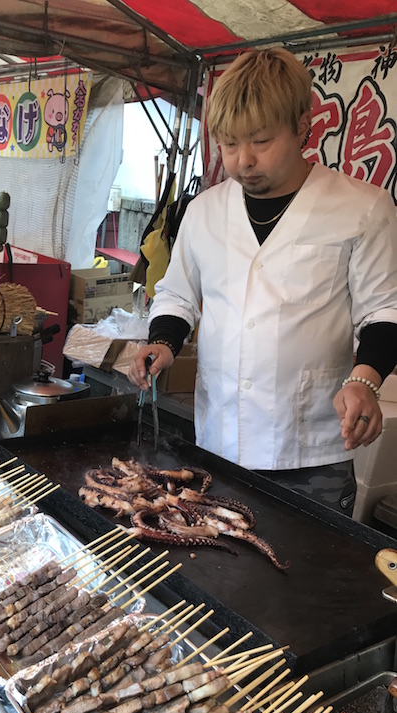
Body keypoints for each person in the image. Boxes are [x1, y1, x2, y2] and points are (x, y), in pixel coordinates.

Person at [128, 47, 397, 515]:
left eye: (261, 141)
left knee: (300, 581)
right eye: (230, 145)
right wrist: (163, 340)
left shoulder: (363, 209)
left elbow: (384, 311)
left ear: (302, 125)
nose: (243, 160)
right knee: (216, 569)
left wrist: (366, 380)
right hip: (218, 440)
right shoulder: (205, 211)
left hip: (310, 449)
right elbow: (177, 292)